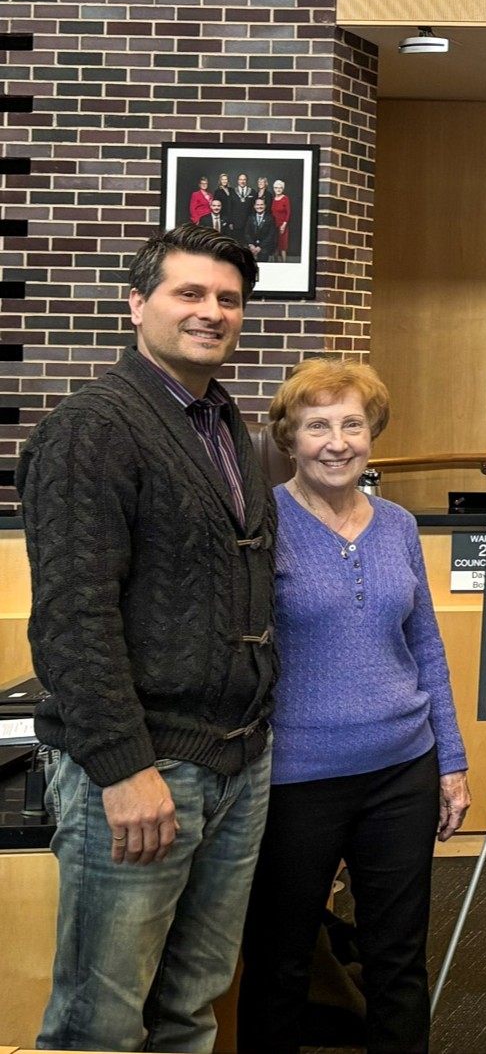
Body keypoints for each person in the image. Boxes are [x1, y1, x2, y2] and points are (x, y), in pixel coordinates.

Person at [20, 224, 276, 1052]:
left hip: (235, 762)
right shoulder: (93, 427)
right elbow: (72, 615)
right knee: (100, 1024)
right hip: (142, 770)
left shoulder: (223, 423)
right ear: (138, 304)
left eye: (228, 299)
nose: (211, 312)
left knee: (189, 1010)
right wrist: (125, 767)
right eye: (189, 293)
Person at [237, 358, 470, 1054]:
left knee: (398, 960)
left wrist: (450, 761)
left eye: (351, 424)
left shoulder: (397, 524)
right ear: (289, 438)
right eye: (316, 426)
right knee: (281, 963)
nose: (336, 441)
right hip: (293, 777)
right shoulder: (260, 522)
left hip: (402, 770)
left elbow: (425, 643)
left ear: (372, 434)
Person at [244, 195, 280, 260]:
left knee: (263, 255)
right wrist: (251, 244)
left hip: (264, 246)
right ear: (254, 206)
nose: (259, 207)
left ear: (265, 206)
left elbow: (271, 235)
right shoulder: (250, 218)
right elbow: (246, 233)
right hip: (252, 245)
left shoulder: (270, 218)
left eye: (261, 205)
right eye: (257, 205)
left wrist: (260, 247)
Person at [271, 179, 292, 260]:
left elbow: (288, 212)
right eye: (276, 188)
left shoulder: (285, 198)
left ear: (283, 189)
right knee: (274, 246)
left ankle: (284, 263)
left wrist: (284, 224)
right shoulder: (272, 199)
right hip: (273, 226)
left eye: (280, 188)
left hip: (282, 225)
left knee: (282, 246)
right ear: (274, 189)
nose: (278, 189)